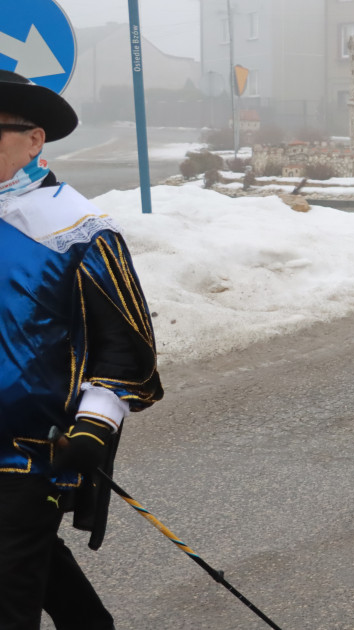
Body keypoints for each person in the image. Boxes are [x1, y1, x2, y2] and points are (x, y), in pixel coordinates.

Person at [0, 70, 163, 629]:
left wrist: (97, 421)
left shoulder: (77, 227)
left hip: (29, 452)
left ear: (34, 139)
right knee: (33, 570)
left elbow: (124, 344)